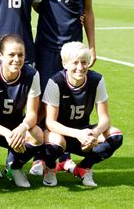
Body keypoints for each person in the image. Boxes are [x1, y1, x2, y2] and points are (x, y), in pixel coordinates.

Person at [31, 0, 97, 175]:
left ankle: (63, 156)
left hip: (73, 51)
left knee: (68, 103)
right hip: (47, 46)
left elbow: (88, 11)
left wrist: (91, 47)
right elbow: (38, 4)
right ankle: (42, 155)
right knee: (44, 104)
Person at [42, 42, 123, 187]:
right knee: (54, 142)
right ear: (65, 64)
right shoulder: (55, 82)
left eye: (84, 62)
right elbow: (50, 123)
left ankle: (84, 167)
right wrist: (77, 134)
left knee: (115, 135)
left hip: (85, 133)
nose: (80, 67)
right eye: (75, 63)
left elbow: (105, 118)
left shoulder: (96, 80)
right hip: (60, 135)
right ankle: (50, 167)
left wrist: (94, 133)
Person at [0, 34, 42, 188]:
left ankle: (15, 167)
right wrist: (6, 133)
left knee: (37, 134)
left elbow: (32, 114)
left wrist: (22, 128)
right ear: (0, 55)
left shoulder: (32, 75)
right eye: (11, 55)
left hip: (15, 125)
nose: (17, 59)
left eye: (20, 55)